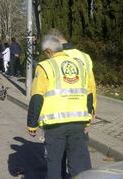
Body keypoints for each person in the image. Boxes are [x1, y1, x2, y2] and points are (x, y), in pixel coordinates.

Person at [27, 35, 96, 178]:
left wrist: (32, 124)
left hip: (55, 126)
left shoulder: (45, 66)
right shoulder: (80, 65)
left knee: (55, 165)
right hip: (78, 123)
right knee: (80, 165)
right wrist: (88, 117)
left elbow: (37, 97)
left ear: (48, 51)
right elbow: (89, 94)